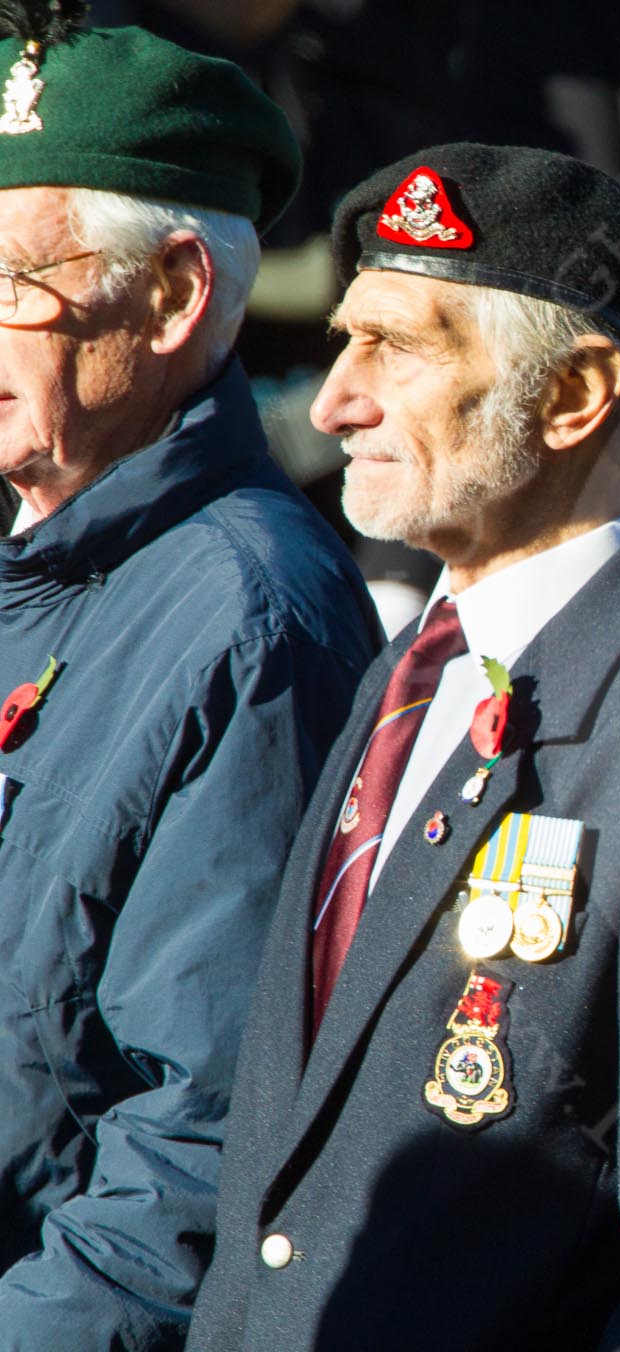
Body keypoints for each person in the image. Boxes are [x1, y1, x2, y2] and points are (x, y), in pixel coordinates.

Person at [188, 143, 620, 1350]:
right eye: (345, 340)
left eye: (399, 346)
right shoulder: (407, 672)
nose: (337, 399)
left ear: (574, 395)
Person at [0, 9, 380, 1347]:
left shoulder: (251, 621)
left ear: (170, 296)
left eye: (11, 284)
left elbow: (193, 1167)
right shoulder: (33, 556)